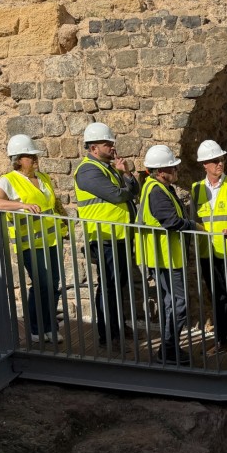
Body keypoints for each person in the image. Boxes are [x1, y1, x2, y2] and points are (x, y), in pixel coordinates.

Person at [0, 134, 65, 344]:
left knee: (53, 284)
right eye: (30, 156)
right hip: (29, 243)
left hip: (51, 240)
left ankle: (50, 327)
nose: (34, 159)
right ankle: (35, 329)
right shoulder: (9, 180)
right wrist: (21, 205)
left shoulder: (43, 178)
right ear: (18, 159)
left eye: (34, 155)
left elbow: (53, 204)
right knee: (41, 284)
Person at [135, 145, 204, 365]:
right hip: (165, 257)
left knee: (170, 303)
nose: (175, 170)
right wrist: (194, 225)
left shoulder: (156, 188)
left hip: (164, 256)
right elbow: (171, 222)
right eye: (172, 167)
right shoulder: (157, 191)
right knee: (178, 303)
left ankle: (169, 349)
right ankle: (169, 349)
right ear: (161, 171)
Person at [73, 122, 139, 348]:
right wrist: (126, 186)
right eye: (106, 144)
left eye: (111, 143)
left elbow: (133, 190)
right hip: (103, 237)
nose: (112, 147)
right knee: (108, 286)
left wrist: (127, 174)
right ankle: (108, 335)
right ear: (93, 149)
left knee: (117, 285)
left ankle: (117, 327)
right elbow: (119, 196)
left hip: (118, 235)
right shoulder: (88, 171)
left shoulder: (109, 168)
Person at [191, 140, 227, 362]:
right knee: (217, 298)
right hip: (208, 252)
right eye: (215, 160)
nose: (220, 163)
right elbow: (195, 220)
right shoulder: (197, 189)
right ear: (204, 164)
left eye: (221, 159)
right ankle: (222, 341)